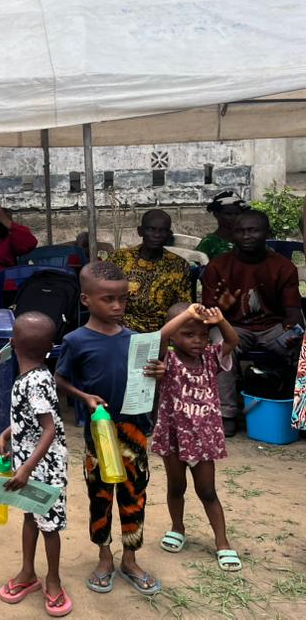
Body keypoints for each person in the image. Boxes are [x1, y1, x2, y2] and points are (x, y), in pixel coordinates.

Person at [55, 261, 166, 597]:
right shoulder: (75, 340)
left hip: (135, 432)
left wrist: (158, 373)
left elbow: (149, 384)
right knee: (100, 496)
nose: (118, 306)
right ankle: (104, 558)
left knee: (134, 496)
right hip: (100, 434)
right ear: (86, 300)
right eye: (109, 299)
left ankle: (130, 559)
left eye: (123, 299)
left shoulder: (136, 341)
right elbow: (60, 379)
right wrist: (84, 397)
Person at [152, 304, 242, 572]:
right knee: (176, 488)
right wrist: (188, 314)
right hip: (173, 437)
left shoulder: (211, 358)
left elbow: (232, 341)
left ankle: (222, 542)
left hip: (203, 439)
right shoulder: (167, 361)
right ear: (174, 335)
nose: (198, 341)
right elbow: (159, 337)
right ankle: (177, 528)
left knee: (207, 491)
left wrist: (220, 320)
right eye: (189, 334)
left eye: (203, 335)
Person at [0, 313, 70, 615]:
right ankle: (27, 572)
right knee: (30, 517)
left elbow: (49, 429)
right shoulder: (34, 376)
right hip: (30, 463)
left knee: (49, 526)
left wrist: (26, 469)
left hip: (45, 469)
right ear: (50, 347)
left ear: (12, 343)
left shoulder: (35, 381)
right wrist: (8, 433)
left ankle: (53, 579)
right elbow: (34, 420)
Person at [201, 210, 302, 435]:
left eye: (253, 230)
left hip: (273, 327)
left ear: (267, 233)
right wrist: (222, 308)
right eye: (240, 231)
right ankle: (226, 413)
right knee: (220, 346)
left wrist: (293, 332)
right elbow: (208, 317)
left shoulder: (283, 267)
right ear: (232, 235)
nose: (246, 236)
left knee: (304, 346)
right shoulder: (218, 267)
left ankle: (299, 413)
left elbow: (293, 312)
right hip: (233, 327)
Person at [107, 209, 191, 334]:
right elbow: (102, 295)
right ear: (140, 231)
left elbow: (182, 306)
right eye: (151, 229)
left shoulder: (179, 265)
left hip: (162, 331)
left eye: (163, 230)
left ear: (169, 234)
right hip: (121, 328)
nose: (157, 235)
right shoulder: (118, 259)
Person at [197, 191, 250, 260]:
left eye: (237, 214)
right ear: (216, 214)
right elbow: (197, 263)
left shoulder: (247, 240)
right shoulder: (209, 243)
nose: (234, 217)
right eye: (228, 214)